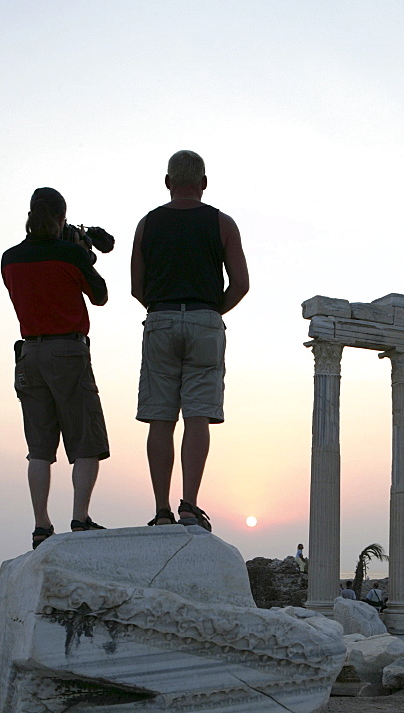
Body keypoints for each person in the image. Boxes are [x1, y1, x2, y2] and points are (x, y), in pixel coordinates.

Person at [131, 150, 249, 531]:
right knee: (197, 415)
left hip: (161, 317)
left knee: (160, 418)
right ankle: (189, 505)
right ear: (204, 183)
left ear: (168, 183)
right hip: (204, 320)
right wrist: (213, 312)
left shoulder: (147, 224)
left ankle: (161, 509)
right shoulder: (222, 223)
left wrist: (164, 311)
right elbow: (241, 284)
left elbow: (137, 287)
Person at [2, 188, 109, 550]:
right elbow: (100, 295)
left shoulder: (9, 259)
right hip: (68, 351)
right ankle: (80, 519)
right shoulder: (70, 255)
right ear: (62, 218)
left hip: (29, 354)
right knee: (85, 441)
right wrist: (81, 252)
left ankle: (41, 526)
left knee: (39, 449)